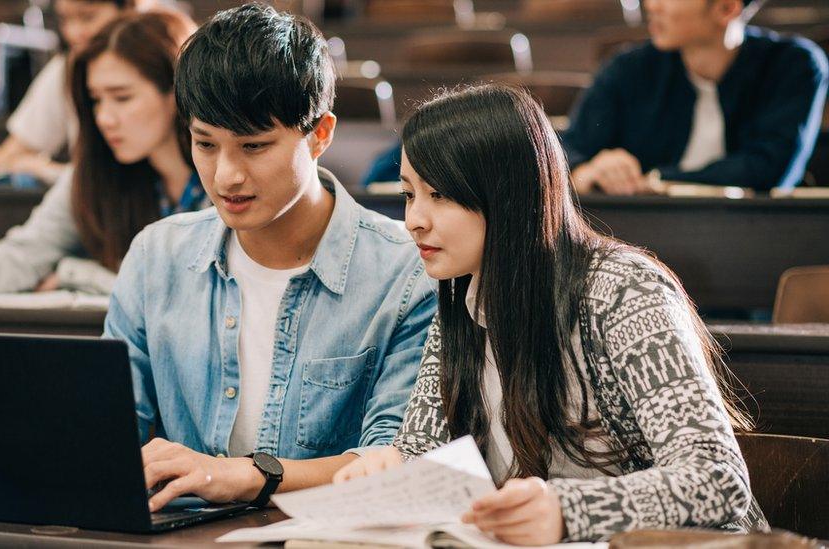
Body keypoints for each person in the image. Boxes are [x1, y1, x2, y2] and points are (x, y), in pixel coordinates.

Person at [333, 85, 769, 544]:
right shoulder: (461, 293)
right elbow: (425, 448)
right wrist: (391, 466)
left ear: (507, 194)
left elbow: (718, 480)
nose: (414, 220)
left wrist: (566, 511)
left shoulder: (625, 291)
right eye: (408, 194)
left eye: (439, 194)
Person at [103, 3, 436, 511]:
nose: (225, 176)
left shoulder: (406, 273)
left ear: (320, 134)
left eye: (254, 146)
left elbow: (393, 458)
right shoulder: (157, 256)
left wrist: (248, 476)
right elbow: (106, 430)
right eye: (205, 144)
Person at [0, 11, 203, 298]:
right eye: (95, 100)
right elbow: (26, 254)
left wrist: (72, 273)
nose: (104, 117)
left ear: (175, 92)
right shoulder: (94, 175)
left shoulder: (223, 176)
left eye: (122, 97)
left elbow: (185, 293)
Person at [563, 0, 828, 194]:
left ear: (726, 8)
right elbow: (566, 151)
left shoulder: (795, 65)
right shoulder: (627, 68)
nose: (652, 5)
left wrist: (655, 180)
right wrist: (587, 171)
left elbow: (768, 170)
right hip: (640, 237)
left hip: (752, 235)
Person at [0, 0, 134, 183]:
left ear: (128, 8)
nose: (73, 33)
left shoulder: (152, 63)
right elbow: (12, 155)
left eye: (88, 17)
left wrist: (45, 170)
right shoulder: (65, 69)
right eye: (65, 19)